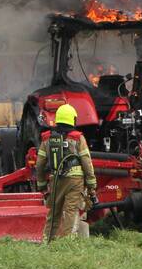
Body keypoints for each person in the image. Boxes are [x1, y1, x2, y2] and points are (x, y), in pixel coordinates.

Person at [34, 103, 97, 242]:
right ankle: (67, 242)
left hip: (56, 180)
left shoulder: (47, 138)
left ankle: (47, 241)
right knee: (70, 211)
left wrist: (42, 185)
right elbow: (87, 162)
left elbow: (39, 164)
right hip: (75, 181)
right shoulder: (78, 138)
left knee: (54, 212)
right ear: (73, 119)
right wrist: (92, 185)